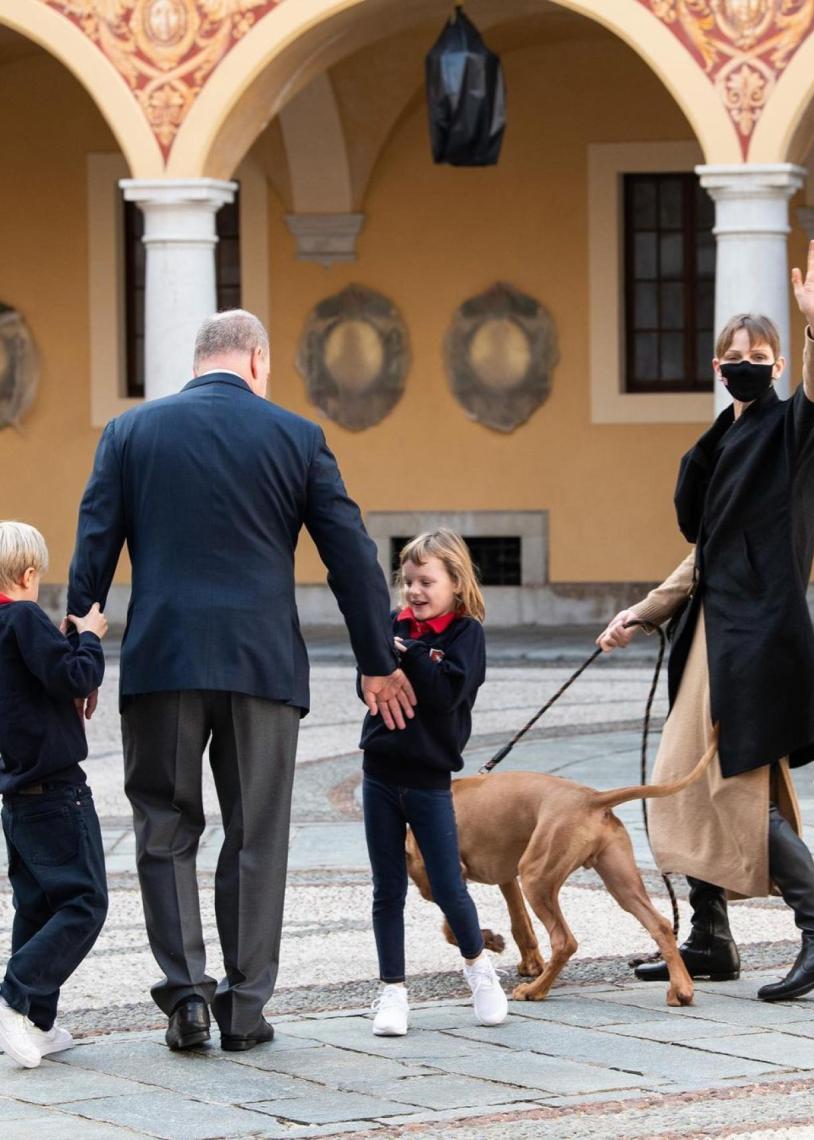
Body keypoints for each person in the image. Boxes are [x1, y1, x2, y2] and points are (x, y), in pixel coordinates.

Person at [67, 310, 415, 1053]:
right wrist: (376, 661)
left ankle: (185, 1000)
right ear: (256, 360)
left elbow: (92, 548)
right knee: (256, 836)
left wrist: (80, 662)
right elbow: (350, 556)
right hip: (261, 664)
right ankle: (245, 1007)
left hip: (163, 659)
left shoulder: (130, 434)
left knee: (162, 829)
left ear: (198, 361)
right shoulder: (296, 437)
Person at [598, 238, 814, 1002]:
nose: (743, 360)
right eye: (732, 352)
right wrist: (640, 616)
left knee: (734, 790)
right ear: (717, 365)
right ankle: (709, 937)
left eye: (758, 352)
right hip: (714, 632)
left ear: (774, 365)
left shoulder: (787, 430)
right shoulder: (720, 442)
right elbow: (704, 554)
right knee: (683, 783)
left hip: (752, 638)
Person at [359, 529, 508, 1036]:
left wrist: (413, 657)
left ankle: (479, 968)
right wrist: (391, 657)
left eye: (427, 581)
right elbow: (372, 684)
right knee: (387, 889)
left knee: (448, 884)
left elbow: (447, 694)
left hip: (428, 781)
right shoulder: (390, 626)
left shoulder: (466, 635)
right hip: (379, 774)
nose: (414, 592)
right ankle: (393, 992)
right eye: (408, 581)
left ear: (457, 584)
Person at [0, 521, 108, 1068]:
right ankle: (14, 997)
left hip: (17, 797)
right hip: (57, 791)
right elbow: (73, 676)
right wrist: (89, 634)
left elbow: (36, 681)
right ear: (28, 573)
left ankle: (37, 1023)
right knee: (85, 901)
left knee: (38, 907)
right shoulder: (22, 616)